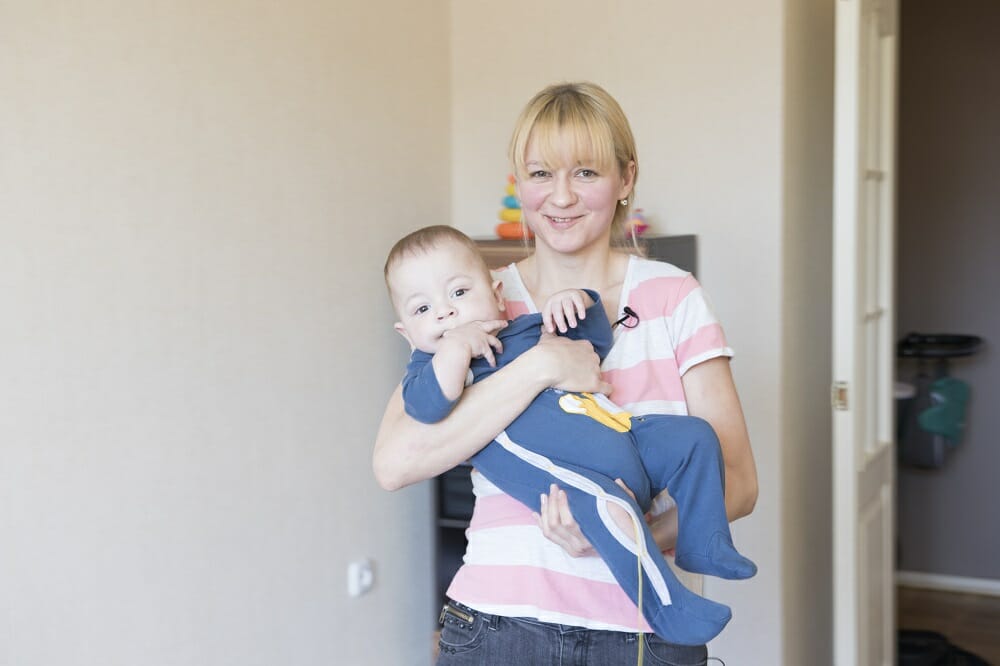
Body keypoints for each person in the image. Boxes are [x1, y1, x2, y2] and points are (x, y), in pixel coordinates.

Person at [374, 82, 758, 665]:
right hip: (498, 626)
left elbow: (739, 482)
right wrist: (543, 365)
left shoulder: (673, 295)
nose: (560, 197)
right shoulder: (475, 296)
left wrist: (626, 538)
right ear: (519, 184)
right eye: (540, 174)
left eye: (585, 172)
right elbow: (395, 463)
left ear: (626, 179)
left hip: (642, 637)